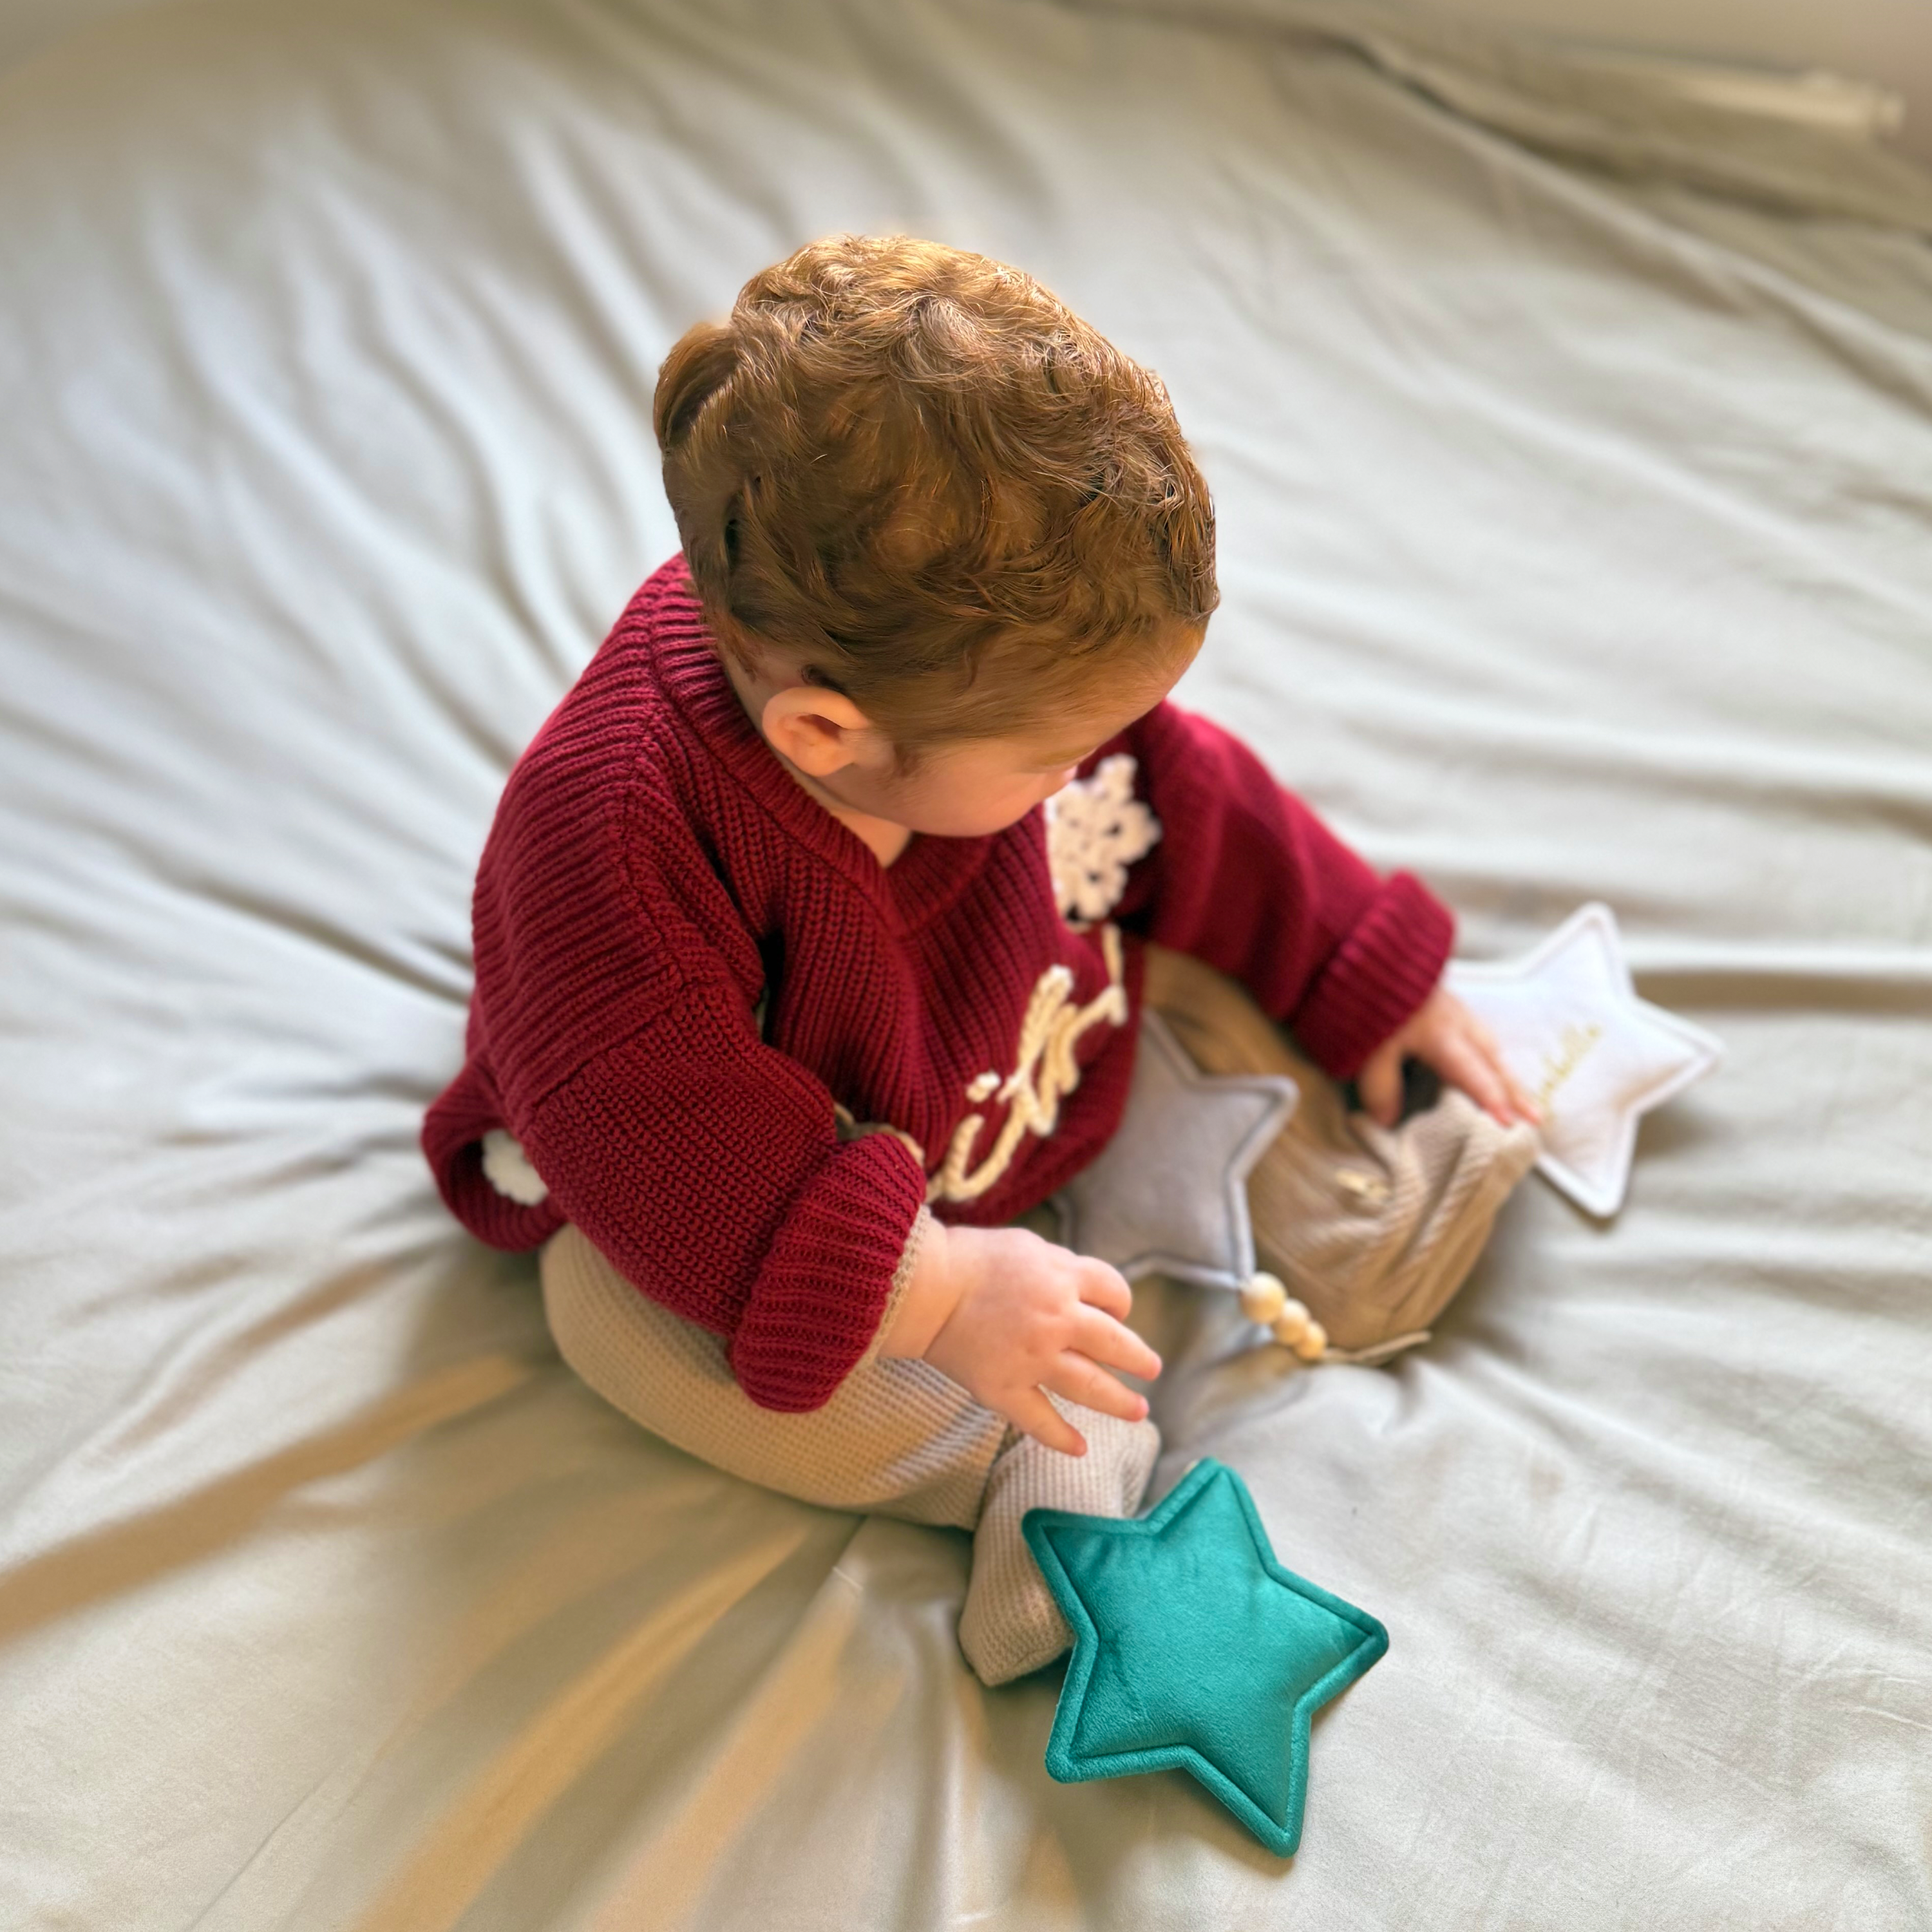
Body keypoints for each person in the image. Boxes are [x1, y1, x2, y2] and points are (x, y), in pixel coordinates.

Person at [423, 234, 1538, 1683]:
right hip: (758, 1172)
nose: (1097, 761)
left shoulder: (966, 700)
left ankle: (1319, 1196)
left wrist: (1359, 958)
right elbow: (657, 1128)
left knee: (1164, 914)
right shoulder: (613, 847)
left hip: (993, 1043)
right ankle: (1037, 1462)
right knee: (620, 1321)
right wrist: (936, 1292)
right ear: (825, 735)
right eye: (1054, 753)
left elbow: (1185, 795)